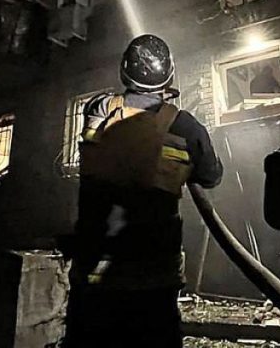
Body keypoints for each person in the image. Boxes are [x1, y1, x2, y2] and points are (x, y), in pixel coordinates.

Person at [64, 34, 223, 348]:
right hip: (154, 279)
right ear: (169, 75)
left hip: (94, 273)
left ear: (125, 71)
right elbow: (212, 176)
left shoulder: (98, 109)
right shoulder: (185, 127)